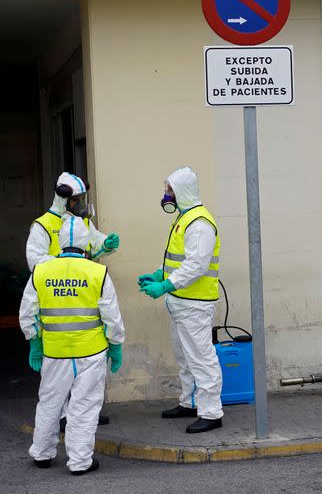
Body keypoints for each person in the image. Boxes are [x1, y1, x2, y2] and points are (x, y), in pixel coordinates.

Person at [19, 214, 124, 475]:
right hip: (91, 352)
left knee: (50, 403)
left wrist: (34, 342)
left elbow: (27, 312)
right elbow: (111, 315)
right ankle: (79, 461)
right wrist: (116, 344)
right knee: (84, 407)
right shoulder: (98, 272)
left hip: (55, 352)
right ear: (86, 243)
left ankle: (42, 453)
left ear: (61, 242)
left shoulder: (41, 270)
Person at [26, 172, 119, 430]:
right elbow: (34, 261)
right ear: (63, 197)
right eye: (75, 200)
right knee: (60, 374)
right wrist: (64, 268)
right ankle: (67, 416)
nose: (78, 204)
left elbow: (95, 245)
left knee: (80, 369)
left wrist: (107, 244)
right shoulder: (42, 225)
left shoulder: (79, 223)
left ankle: (80, 414)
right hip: (57, 298)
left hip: (79, 296)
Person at [138, 167, 223, 434]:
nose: (166, 196)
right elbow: (179, 261)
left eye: (170, 190)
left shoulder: (199, 223)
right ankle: (190, 402)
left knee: (201, 357)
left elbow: (197, 265)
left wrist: (165, 284)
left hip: (195, 304)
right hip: (181, 301)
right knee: (185, 355)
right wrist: (159, 274)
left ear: (182, 191)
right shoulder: (184, 219)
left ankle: (211, 413)